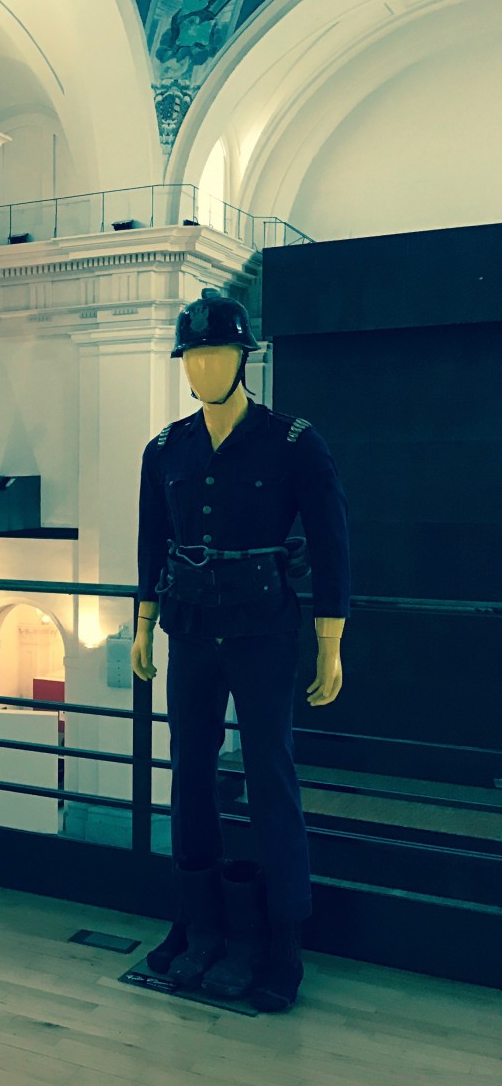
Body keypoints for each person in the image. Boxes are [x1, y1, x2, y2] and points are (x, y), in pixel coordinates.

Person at [132, 289, 350, 1013]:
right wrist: (142, 624)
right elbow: (151, 545)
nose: (203, 366)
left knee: (270, 780)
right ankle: (197, 925)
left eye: (217, 352)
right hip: (190, 632)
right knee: (189, 776)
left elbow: (330, 547)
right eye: (192, 355)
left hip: (265, 633)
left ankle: (277, 943)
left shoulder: (293, 443)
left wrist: (331, 642)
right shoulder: (165, 449)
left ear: (243, 358)